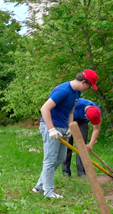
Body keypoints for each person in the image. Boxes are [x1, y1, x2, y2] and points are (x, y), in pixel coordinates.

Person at [32, 69, 98, 199]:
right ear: (83, 82)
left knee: (60, 158)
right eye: (89, 86)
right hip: (50, 126)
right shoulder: (62, 91)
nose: (89, 89)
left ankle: (39, 187)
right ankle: (48, 192)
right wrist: (51, 129)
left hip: (63, 128)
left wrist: (69, 127)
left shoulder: (77, 92)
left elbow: (71, 112)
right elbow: (44, 108)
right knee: (50, 160)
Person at [62, 99, 102, 177]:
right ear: (86, 115)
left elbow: (96, 129)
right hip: (69, 119)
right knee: (68, 146)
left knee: (82, 146)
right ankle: (66, 172)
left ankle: (81, 172)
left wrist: (91, 144)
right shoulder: (76, 103)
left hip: (82, 122)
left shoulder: (96, 112)